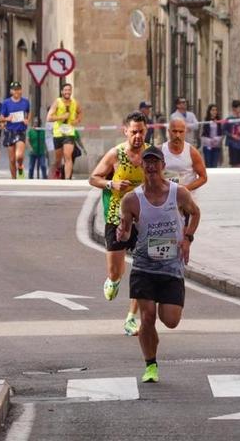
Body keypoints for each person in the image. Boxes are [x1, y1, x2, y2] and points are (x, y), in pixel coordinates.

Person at [116, 145, 200, 383]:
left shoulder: (179, 193)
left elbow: (195, 213)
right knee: (148, 315)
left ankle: (152, 337)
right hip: (144, 267)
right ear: (142, 166)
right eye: (147, 162)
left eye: (156, 162)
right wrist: (123, 233)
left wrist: (187, 238)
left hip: (171, 267)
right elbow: (125, 232)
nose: (151, 166)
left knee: (171, 320)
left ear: (163, 165)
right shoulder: (132, 199)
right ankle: (150, 364)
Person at [89, 111, 150, 336]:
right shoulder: (116, 154)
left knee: (143, 268)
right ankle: (113, 280)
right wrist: (111, 185)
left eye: (141, 132)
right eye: (133, 132)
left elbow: (160, 180)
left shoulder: (151, 155)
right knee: (115, 271)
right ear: (125, 131)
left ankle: (131, 317)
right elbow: (93, 177)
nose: (137, 136)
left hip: (144, 219)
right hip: (116, 218)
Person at [162, 118, 207, 193]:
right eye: (174, 131)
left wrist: (185, 189)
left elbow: (203, 177)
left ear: (185, 132)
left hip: (188, 200)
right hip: (166, 199)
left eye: (181, 132)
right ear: (169, 132)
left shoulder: (192, 152)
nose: (177, 135)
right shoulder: (161, 151)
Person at [47, 83, 82, 180]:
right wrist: (62, 117)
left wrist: (77, 120)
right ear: (62, 92)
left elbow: (80, 112)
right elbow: (49, 118)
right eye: (65, 90)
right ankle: (55, 173)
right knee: (58, 160)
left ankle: (67, 179)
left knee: (68, 156)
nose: (67, 92)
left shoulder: (75, 102)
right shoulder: (57, 102)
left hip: (69, 133)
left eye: (69, 90)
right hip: (58, 133)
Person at [1, 81, 31, 179]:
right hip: (9, 131)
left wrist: (27, 120)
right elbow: (0, 118)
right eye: (14, 90)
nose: (16, 91)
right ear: (11, 91)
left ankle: (21, 166)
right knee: (12, 159)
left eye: (18, 89)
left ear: (21, 90)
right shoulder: (6, 102)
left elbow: (29, 112)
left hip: (20, 131)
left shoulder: (25, 102)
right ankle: (14, 179)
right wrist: (6, 119)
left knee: (19, 156)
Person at [200, 104, 224, 168]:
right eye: (213, 110)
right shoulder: (206, 121)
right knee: (208, 164)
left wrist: (216, 139)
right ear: (209, 111)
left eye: (216, 110)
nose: (214, 112)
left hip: (216, 145)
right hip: (207, 146)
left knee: (214, 164)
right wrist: (209, 140)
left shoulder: (219, 121)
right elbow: (202, 134)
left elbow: (222, 133)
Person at [226, 100, 240, 167]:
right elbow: (224, 131)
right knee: (234, 163)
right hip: (233, 144)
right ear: (234, 108)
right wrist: (232, 136)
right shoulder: (229, 119)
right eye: (239, 107)